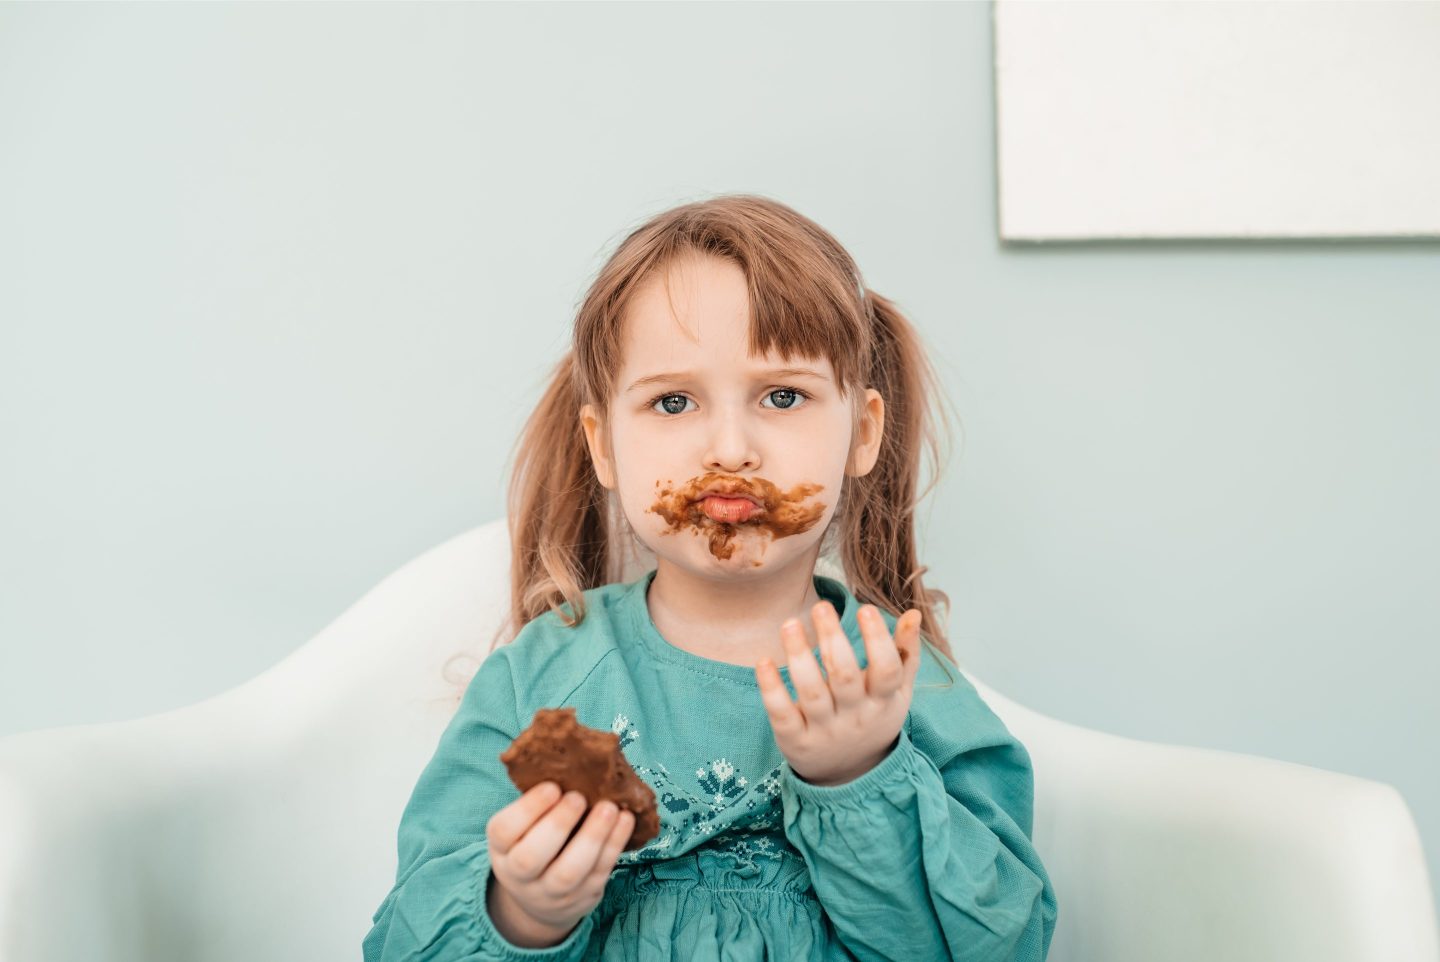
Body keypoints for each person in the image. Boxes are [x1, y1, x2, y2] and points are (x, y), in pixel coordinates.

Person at [362, 194, 1058, 960]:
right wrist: (523, 911)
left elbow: (996, 946)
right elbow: (401, 943)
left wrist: (857, 777)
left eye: (783, 396)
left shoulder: (899, 684)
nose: (730, 447)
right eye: (673, 401)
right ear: (604, 446)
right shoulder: (538, 680)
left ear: (861, 432)